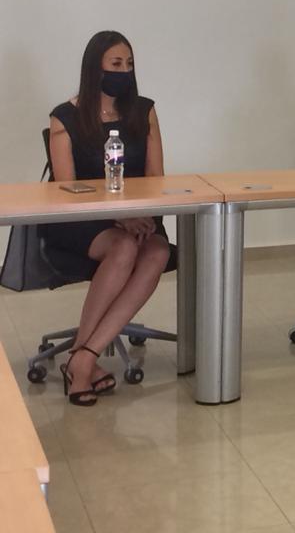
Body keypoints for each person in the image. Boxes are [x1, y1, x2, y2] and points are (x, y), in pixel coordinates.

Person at [43, 31, 172, 407]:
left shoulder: (144, 111)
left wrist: (138, 214)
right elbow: (67, 189)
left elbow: (156, 179)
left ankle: (83, 357)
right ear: (94, 69)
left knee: (157, 251)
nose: (124, 71)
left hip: (138, 216)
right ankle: (84, 360)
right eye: (116, 64)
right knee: (123, 248)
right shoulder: (64, 117)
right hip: (81, 221)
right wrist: (118, 218)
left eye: (129, 64)